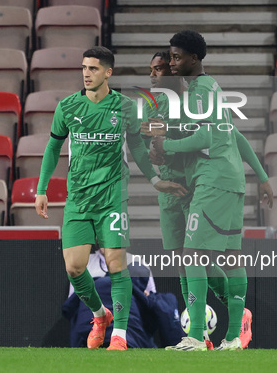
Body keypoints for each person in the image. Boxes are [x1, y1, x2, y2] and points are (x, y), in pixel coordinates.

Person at [35, 46, 187, 351]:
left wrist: (155, 179)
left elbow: (139, 149)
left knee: (116, 263)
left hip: (112, 198)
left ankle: (118, 335)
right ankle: (99, 314)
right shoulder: (67, 107)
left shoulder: (124, 108)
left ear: (108, 72)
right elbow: (53, 148)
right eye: (84, 68)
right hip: (78, 199)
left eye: (93, 68)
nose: (86, 74)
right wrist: (42, 189)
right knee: (75, 268)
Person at [144, 30, 273, 351]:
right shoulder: (193, 94)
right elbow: (230, 134)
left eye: (172, 60)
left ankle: (198, 333)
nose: (167, 67)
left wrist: (167, 145)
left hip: (208, 180)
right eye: (161, 64)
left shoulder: (198, 92)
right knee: (219, 256)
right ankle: (230, 334)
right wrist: (262, 176)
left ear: (194, 59)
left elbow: (210, 138)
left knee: (195, 255)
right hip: (210, 180)